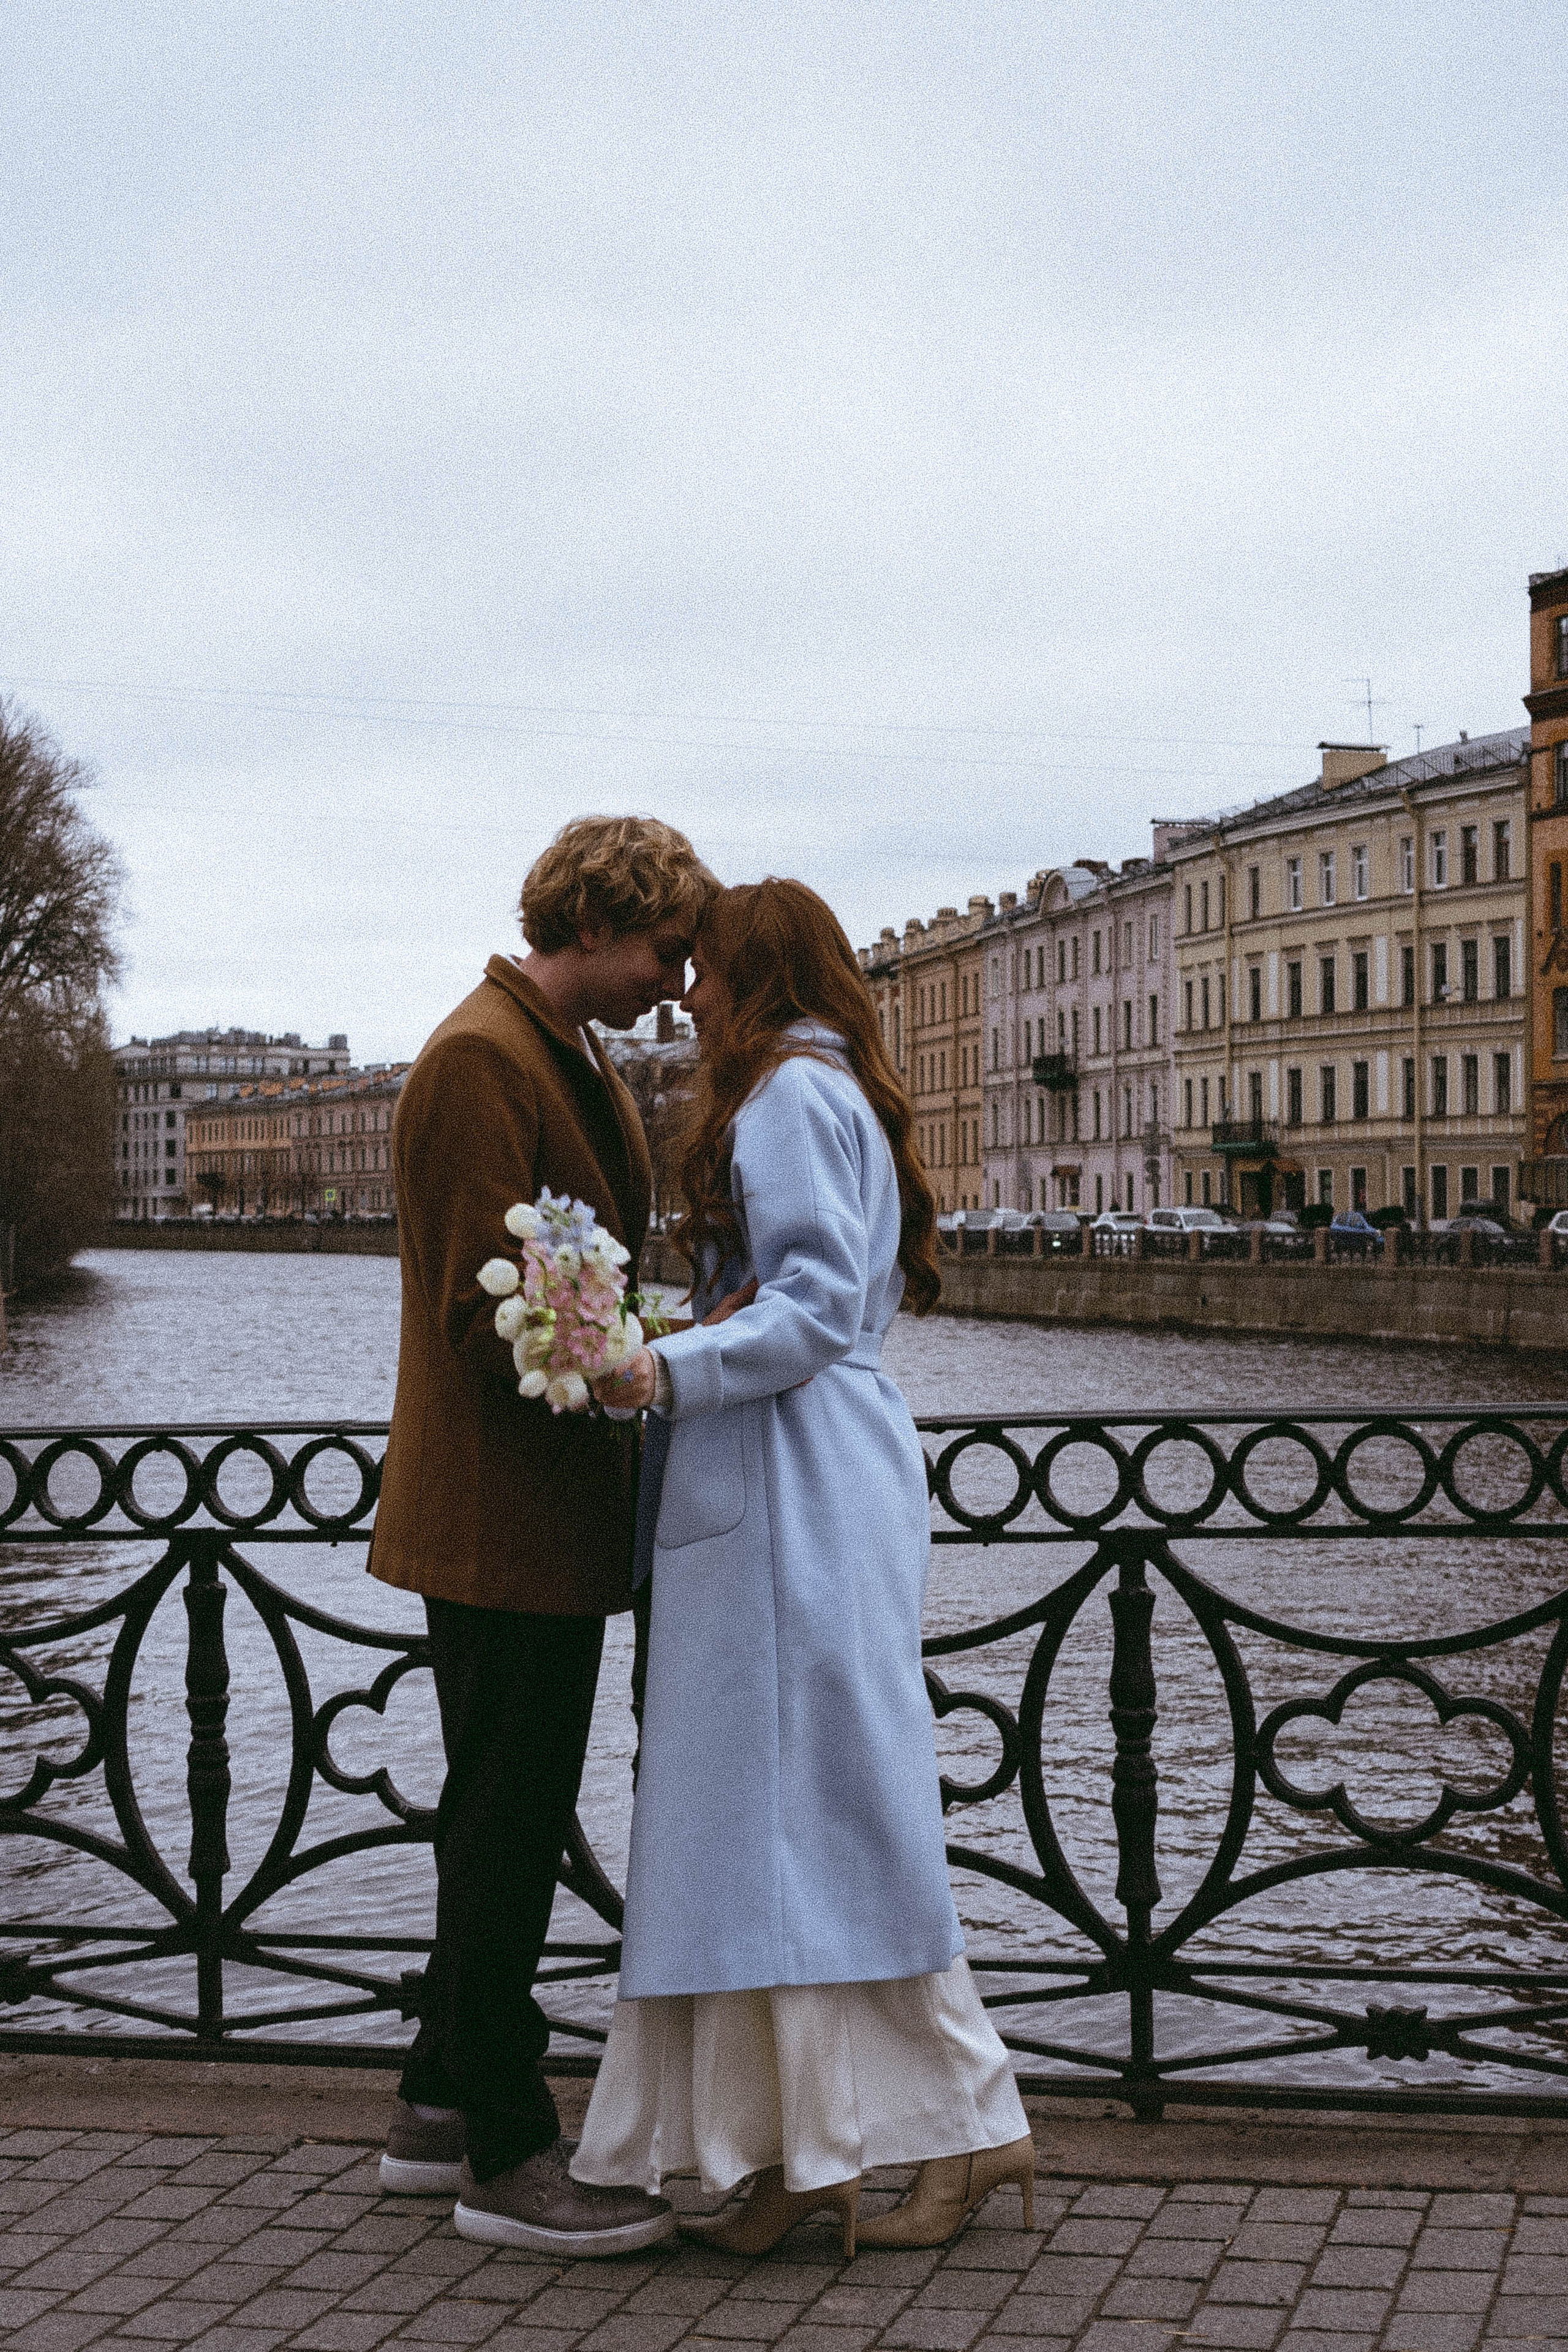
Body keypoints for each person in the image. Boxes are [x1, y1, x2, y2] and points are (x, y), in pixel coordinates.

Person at [581, 878, 1035, 2255]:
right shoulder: (827, 1090)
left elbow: (813, 1306)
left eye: (704, 968)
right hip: (810, 1472)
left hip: (783, 1480)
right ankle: (816, 2155)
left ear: (756, 975)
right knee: (795, 1826)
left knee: (799, 1823)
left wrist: (656, 1367)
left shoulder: (781, 1095)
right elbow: (809, 1299)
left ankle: (947, 2125)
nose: (687, 993)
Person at [369, 814, 717, 2257]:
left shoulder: (555, 1052)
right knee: (509, 1822)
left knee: (500, 1808)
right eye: (667, 947)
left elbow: (564, 1266)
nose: (681, 979)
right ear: (599, 920)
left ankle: (437, 2103)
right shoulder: (476, 1059)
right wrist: (626, 1362)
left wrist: (639, 1337)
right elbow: (477, 1303)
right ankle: (509, 2157)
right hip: (500, 1514)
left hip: (543, 1513)